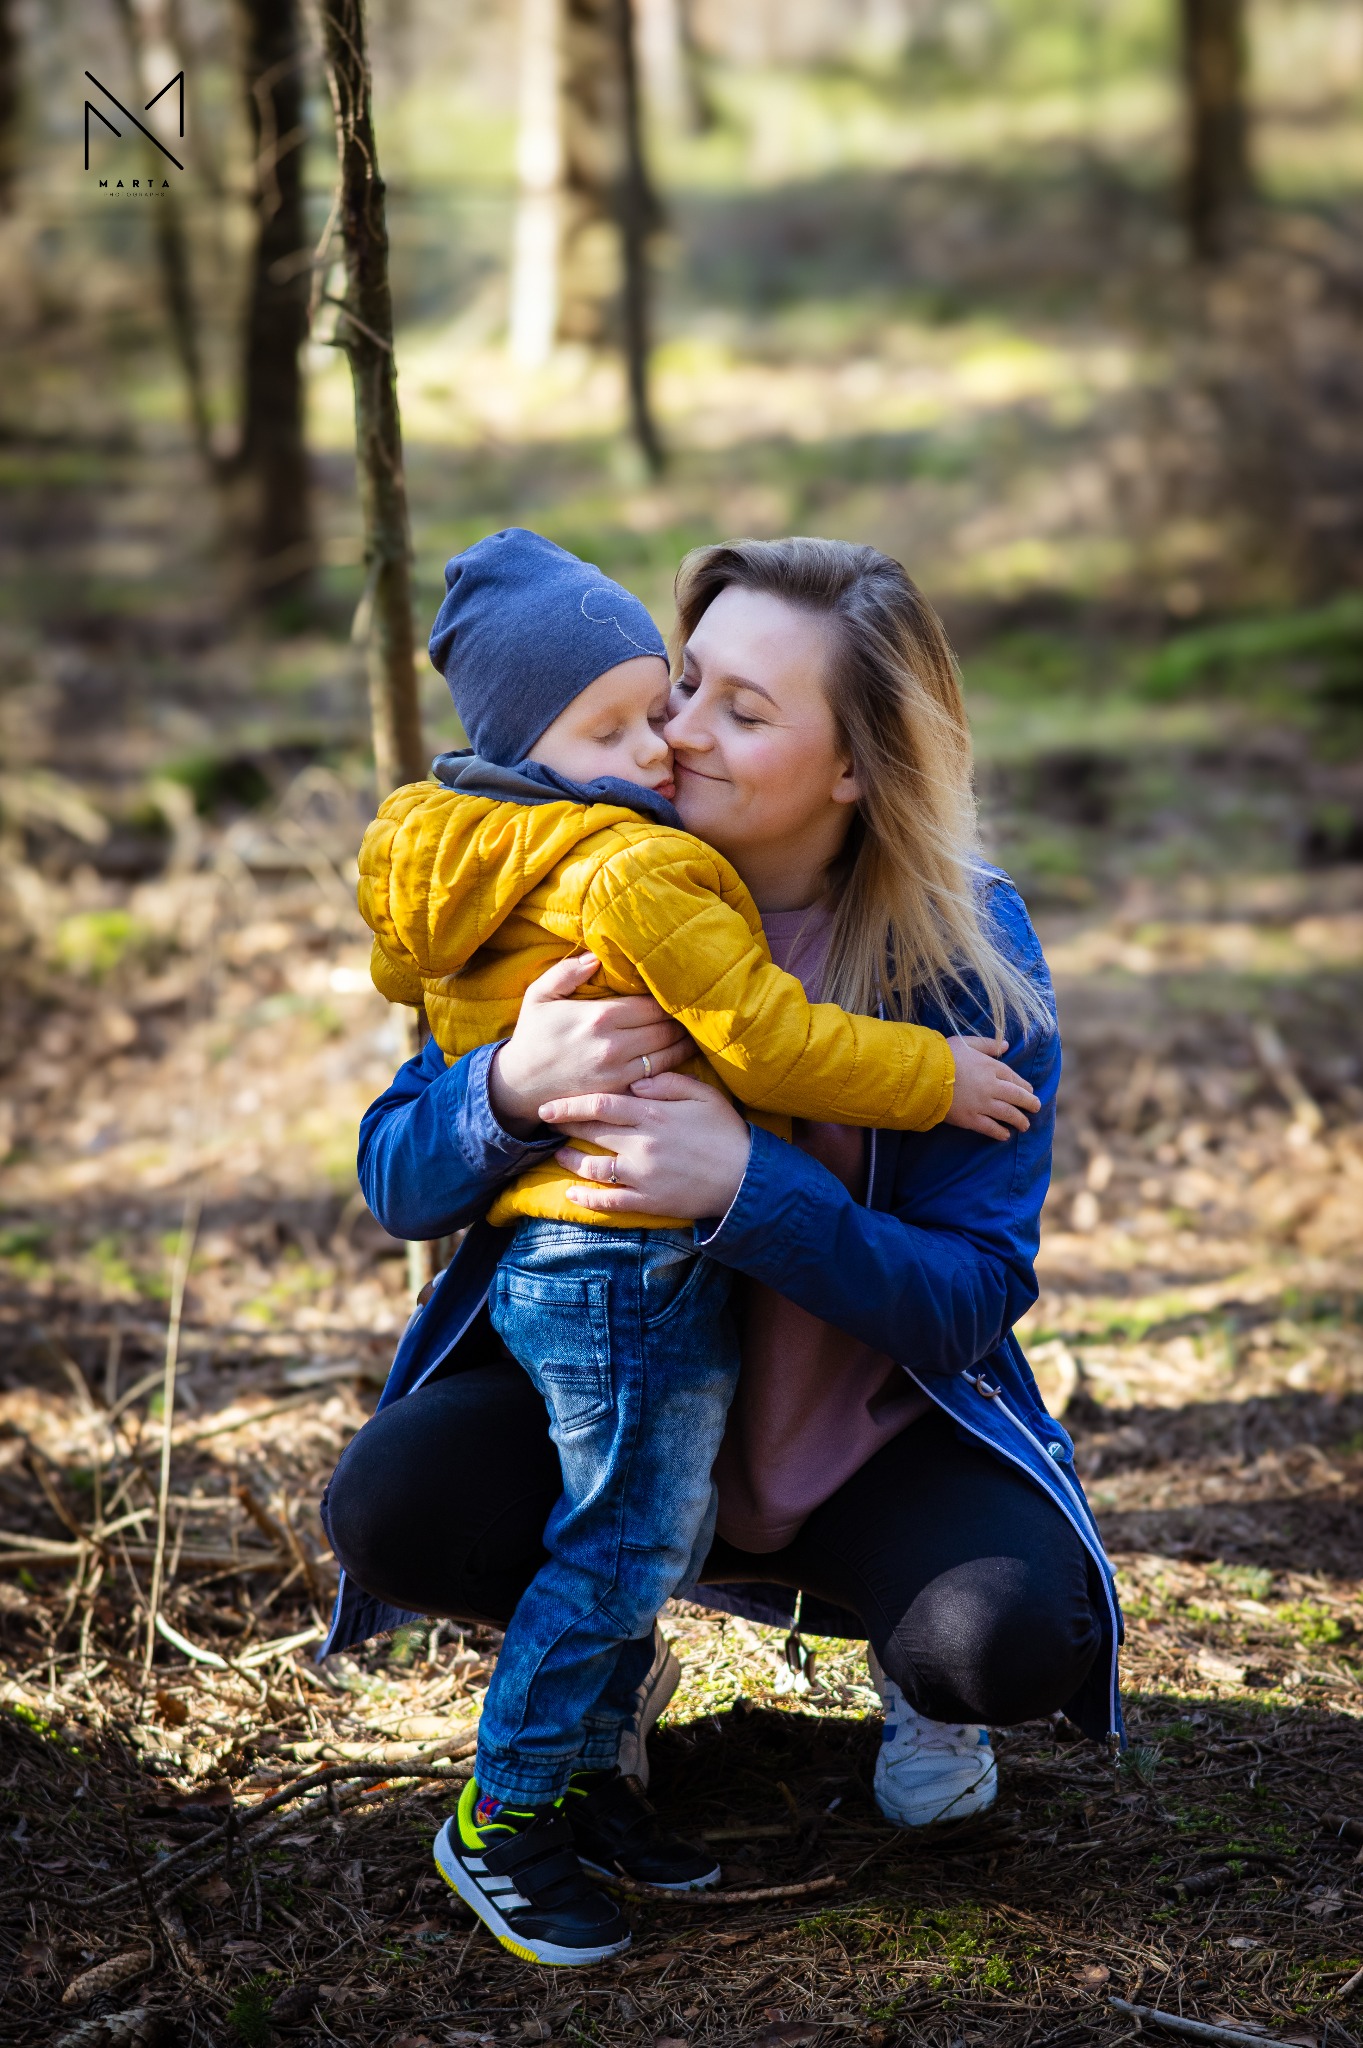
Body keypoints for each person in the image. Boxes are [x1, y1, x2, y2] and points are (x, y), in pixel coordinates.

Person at [321, 535, 1123, 1972]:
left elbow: (975, 1295)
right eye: (684, 682)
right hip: (615, 1393)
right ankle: (588, 1705)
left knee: (999, 1640)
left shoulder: (961, 953)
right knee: (396, 1505)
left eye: (745, 713)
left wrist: (749, 1185)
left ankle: (904, 1690)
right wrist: (506, 1086)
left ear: (858, 770)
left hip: (858, 1441)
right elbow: (394, 1173)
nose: (680, 730)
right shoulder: (575, 877)